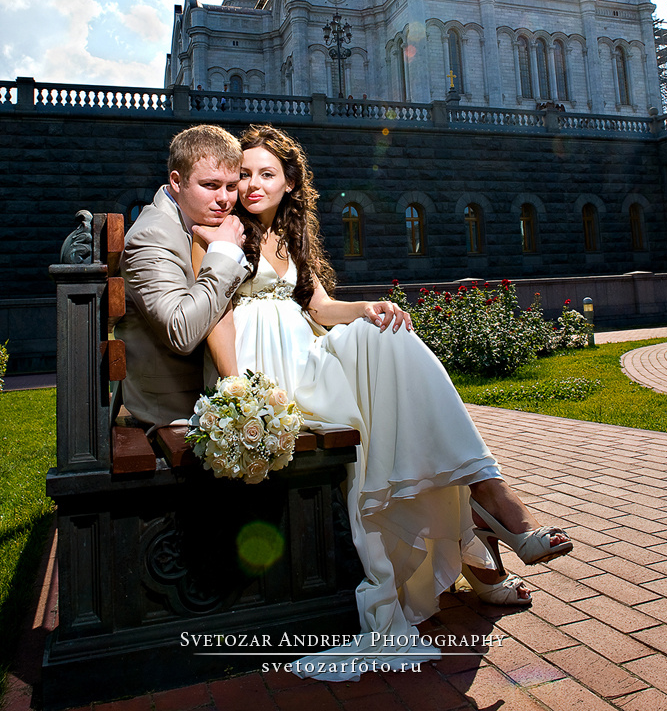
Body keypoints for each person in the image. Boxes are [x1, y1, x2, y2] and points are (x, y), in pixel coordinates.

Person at [193, 125, 573, 680]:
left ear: (290, 182)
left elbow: (319, 309)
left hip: (306, 358)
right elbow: (216, 313)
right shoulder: (219, 229)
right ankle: (487, 513)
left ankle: (485, 491)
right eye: (243, 173)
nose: (251, 184)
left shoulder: (292, 237)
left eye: (265, 173)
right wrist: (238, 389)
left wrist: (370, 308)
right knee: (387, 402)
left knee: (388, 335)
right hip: (261, 371)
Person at [117, 125, 249, 432]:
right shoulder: (152, 236)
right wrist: (226, 253)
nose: (224, 199)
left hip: (205, 389)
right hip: (174, 409)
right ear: (176, 181)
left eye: (231, 186)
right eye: (210, 185)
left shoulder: (205, 220)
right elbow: (181, 332)